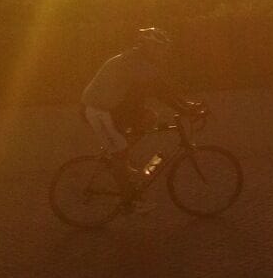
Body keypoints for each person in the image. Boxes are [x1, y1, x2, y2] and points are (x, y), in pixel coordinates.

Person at [81, 27, 201, 182]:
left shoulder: (141, 61)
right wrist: (184, 108)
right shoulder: (134, 61)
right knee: (121, 153)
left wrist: (185, 105)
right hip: (97, 110)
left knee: (149, 117)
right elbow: (160, 90)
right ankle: (127, 200)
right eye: (157, 47)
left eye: (162, 48)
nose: (161, 51)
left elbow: (162, 88)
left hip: (111, 106)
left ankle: (117, 157)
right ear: (145, 46)